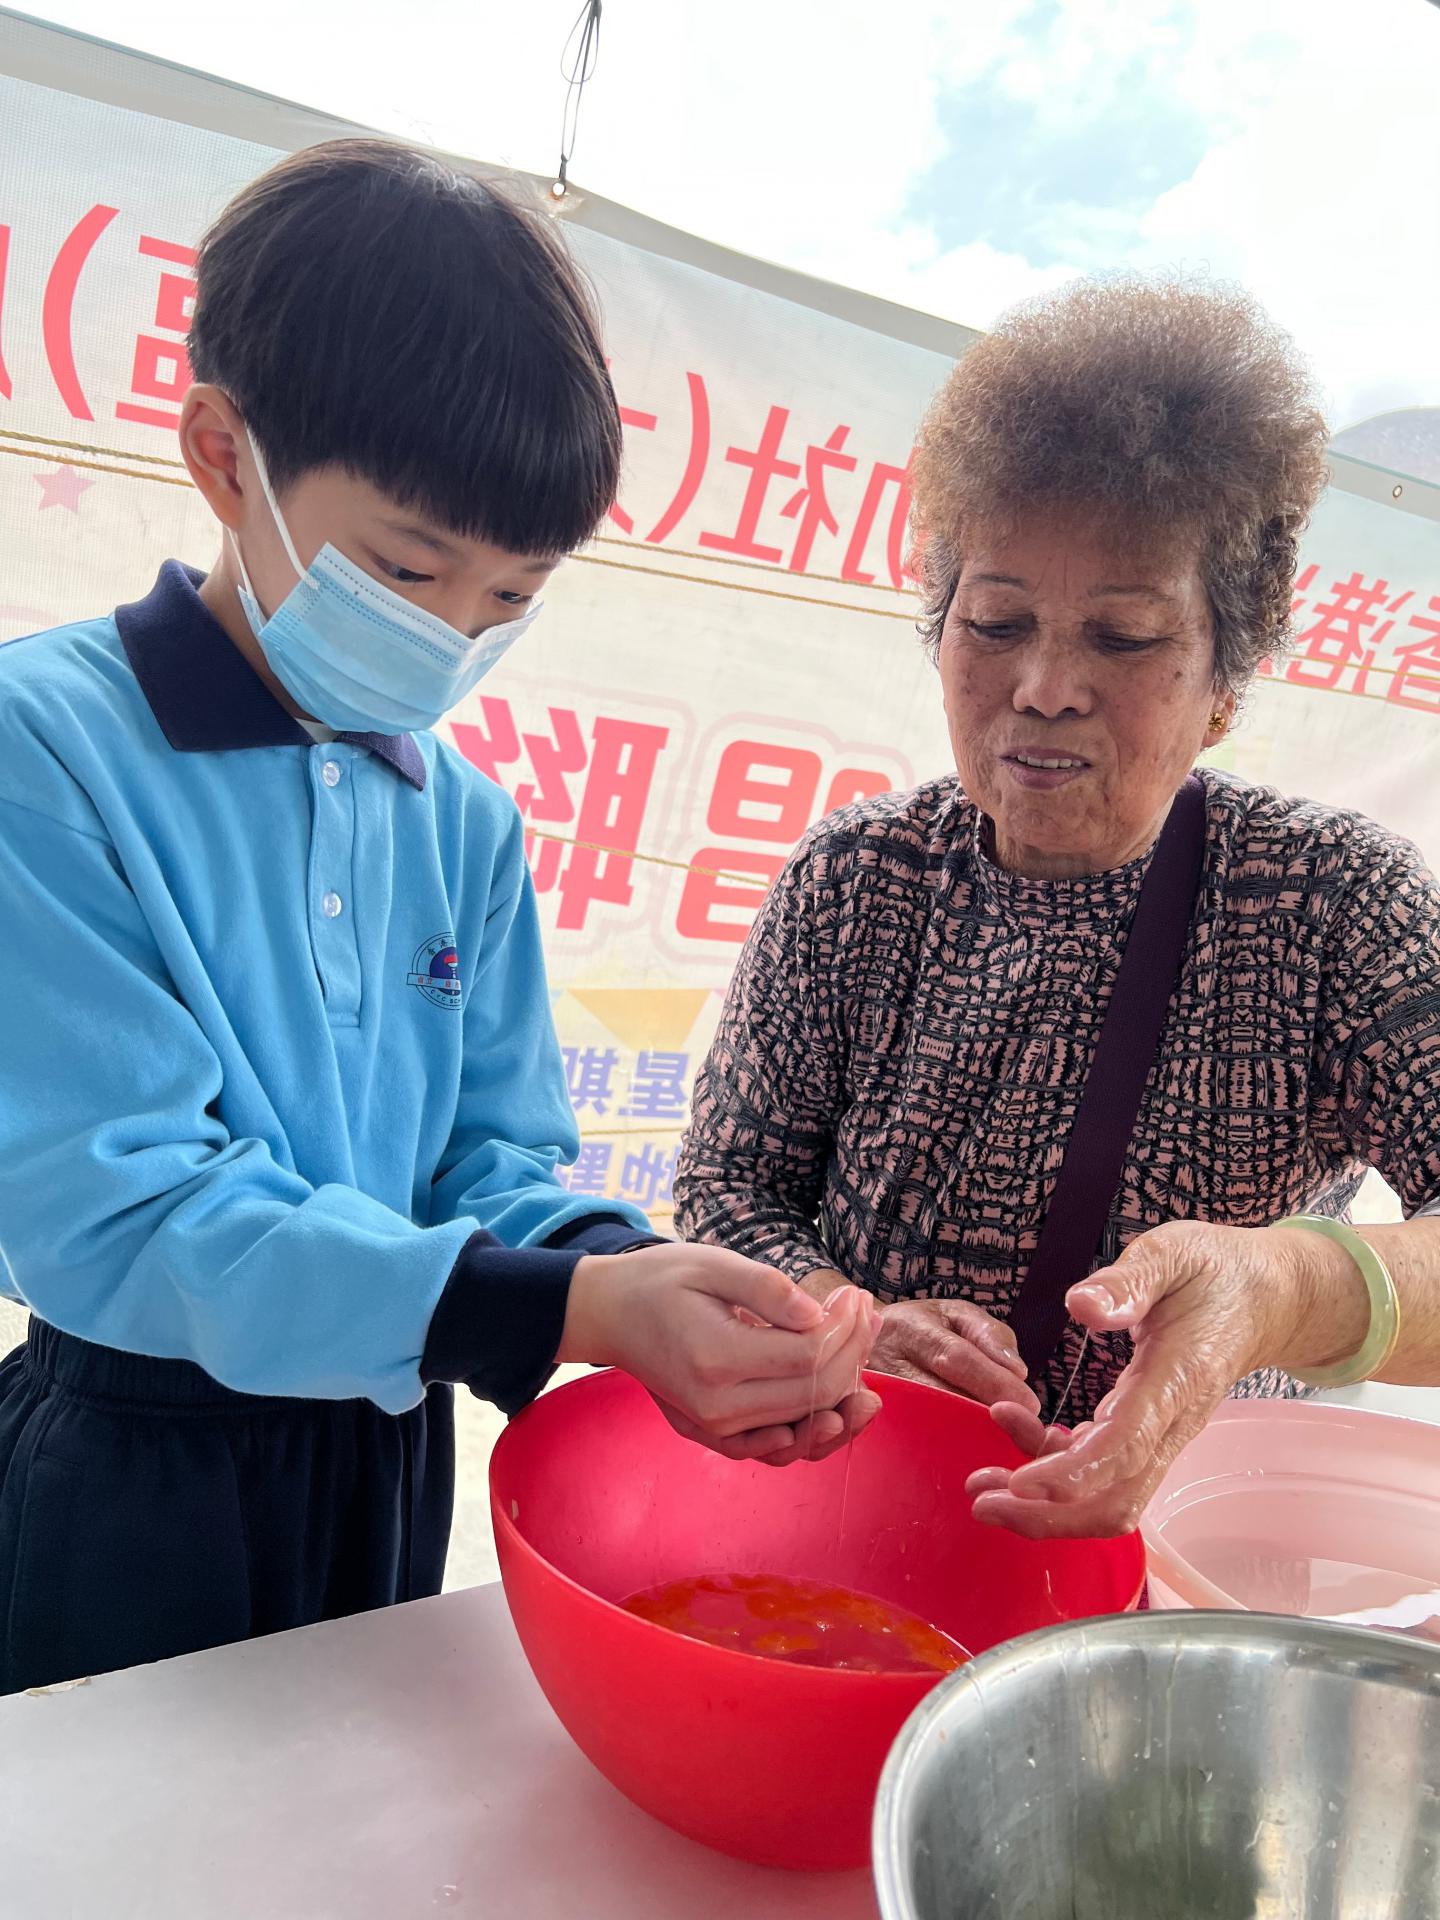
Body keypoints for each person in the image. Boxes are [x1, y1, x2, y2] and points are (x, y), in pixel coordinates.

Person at [0, 141, 876, 1696]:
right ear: (223, 454)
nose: (455, 635)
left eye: (512, 597)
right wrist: (561, 1308)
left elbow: (494, 1158)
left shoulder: (462, 818)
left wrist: (637, 1278)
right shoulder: (46, 744)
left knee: (346, 1801)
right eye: (410, 568)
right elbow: (121, 1210)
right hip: (139, 1453)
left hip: (388, 1439)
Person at [674, 275, 1440, 1539]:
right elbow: (727, 1186)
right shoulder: (856, 879)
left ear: (1227, 682)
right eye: (996, 622)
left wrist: (1283, 1286)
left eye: (1123, 637)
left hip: (1173, 1552)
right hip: (846, 1514)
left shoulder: (1331, 906)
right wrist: (845, 1317)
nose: (1043, 686)